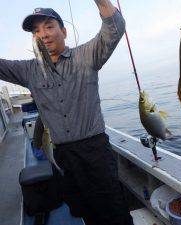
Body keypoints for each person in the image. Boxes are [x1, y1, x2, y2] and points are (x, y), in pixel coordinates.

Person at [0, 1, 134, 225]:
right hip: (62, 155)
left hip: (95, 151)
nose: (43, 34)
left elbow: (115, 28)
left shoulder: (86, 56)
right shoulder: (28, 70)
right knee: (83, 210)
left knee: (115, 210)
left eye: (49, 26)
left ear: (64, 31)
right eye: (36, 31)